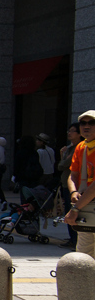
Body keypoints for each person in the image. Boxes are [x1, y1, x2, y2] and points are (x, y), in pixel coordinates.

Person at [63, 110, 95, 260]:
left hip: (84, 205)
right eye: (83, 123)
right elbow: (73, 175)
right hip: (87, 206)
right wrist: (73, 192)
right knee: (84, 256)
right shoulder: (81, 147)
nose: (86, 126)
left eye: (91, 123)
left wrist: (75, 209)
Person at [58, 123, 81, 249]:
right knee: (68, 211)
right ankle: (73, 238)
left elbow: (62, 165)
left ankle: (75, 239)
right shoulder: (71, 148)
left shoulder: (78, 148)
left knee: (73, 212)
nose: (69, 133)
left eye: (72, 131)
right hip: (67, 185)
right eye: (69, 130)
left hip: (74, 188)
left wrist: (63, 157)